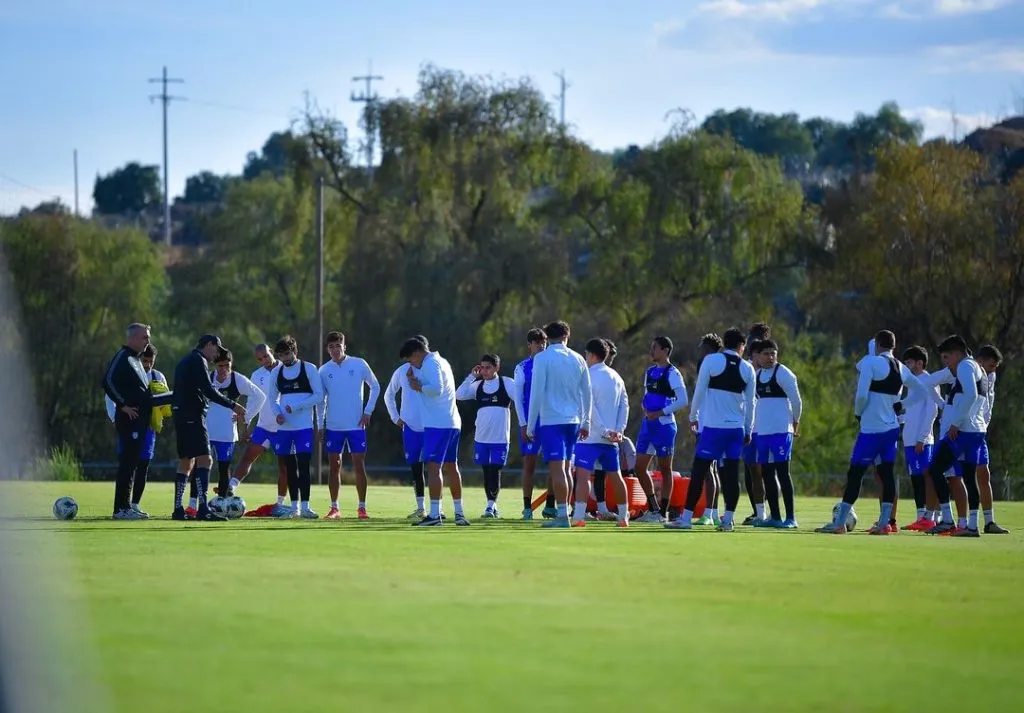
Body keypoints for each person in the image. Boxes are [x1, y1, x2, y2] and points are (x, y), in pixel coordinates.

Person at [817, 330, 930, 535]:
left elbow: (861, 395)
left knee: (855, 474)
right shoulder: (901, 367)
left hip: (871, 429)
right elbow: (923, 391)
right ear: (894, 346)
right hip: (891, 430)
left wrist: (858, 413)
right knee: (886, 474)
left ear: (877, 344)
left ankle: (839, 524)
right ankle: (884, 524)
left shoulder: (871, 363)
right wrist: (901, 405)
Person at [667, 327, 755, 531]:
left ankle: (686, 519)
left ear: (725, 343)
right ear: (742, 346)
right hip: (736, 430)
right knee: (731, 474)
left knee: (699, 472)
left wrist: (693, 416)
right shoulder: (748, 369)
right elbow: (751, 403)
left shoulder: (711, 361)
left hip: (713, 428)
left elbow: (699, 391)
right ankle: (727, 521)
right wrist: (748, 430)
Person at [919, 336, 992, 537]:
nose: (946, 363)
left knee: (934, 470)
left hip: (964, 431)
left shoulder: (965, 367)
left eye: (946, 358)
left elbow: (971, 395)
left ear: (957, 353)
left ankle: (948, 520)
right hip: (977, 431)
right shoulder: (978, 368)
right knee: (969, 477)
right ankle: (971, 526)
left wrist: (956, 422)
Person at [170, 334, 247, 521]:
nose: (216, 355)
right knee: (205, 460)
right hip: (192, 416)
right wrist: (233, 405)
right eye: (216, 349)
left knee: (186, 461)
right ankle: (203, 509)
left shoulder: (185, 360)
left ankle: (178, 509)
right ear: (209, 345)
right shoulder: (198, 360)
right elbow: (208, 390)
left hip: (180, 414)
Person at [102, 323, 174, 520]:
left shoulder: (135, 359)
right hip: (129, 420)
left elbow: (144, 395)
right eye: (145, 337)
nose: (148, 341)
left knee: (134, 463)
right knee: (127, 463)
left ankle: (128, 506)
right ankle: (120, 509)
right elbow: (107, 381)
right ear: (132, 338)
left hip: (141, 421)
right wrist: (122, 404)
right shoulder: (123, 357)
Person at [525, 320, 593, 529]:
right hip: (573, 421)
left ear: (548, 337)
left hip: (551, 421)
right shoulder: (578, 358)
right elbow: (587, 392)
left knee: (558, 471)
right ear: (566, 336)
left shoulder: (542, 358)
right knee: (565, 469)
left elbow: (536, 393)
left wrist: (530, 425)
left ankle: (562, 516)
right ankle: (567, 513)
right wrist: (586, 421)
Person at [400, 337, 470, 526]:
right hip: (452, 421)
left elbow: (436, 389)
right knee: (451, 466)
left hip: (438, 424)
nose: (411, 364)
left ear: (416, 353)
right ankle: (459, 513)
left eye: (410, 360)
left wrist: (418, 386)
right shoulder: (442, 361)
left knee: (433, 466)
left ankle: (434, 515)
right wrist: (417, 382)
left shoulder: (430, 363)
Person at [319, 331, 381, 520]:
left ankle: (362, 508)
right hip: (333, 426)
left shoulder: (359, 364)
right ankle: (334, 508)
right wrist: (320, 424)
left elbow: (375, 386)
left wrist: (368, 411)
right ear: (327, 349)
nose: (335, 350)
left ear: (344, 346)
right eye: (331, 347)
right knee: (334, 466)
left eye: (338, 346)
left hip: (356, 425)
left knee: (358, 465)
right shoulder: (323, 371)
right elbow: (321, 401)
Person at [224, 344, 291, 515]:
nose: (264, 361)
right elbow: (253, 401)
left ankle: (280, 504)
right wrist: (245, 424)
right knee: (247, 457)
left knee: (283, 466)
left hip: (283, 428)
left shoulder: (287, 370)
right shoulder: (256, 375)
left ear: (272, 353)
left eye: (266, 356)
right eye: (260, 359)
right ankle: (230, 487)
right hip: (263, 426)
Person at [572, 338, 629, 527]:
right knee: (616, 476)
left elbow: (589, 407)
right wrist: (618, 431)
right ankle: (623, 517)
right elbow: (624, 406)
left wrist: (604, 429)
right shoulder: (617, 377)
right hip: (611, 439)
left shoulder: (586, 375)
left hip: (590, 436)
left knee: (583, 475)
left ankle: (579, 516)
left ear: (591, 355)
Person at [266, 335, 325, 519]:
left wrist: (298, 406)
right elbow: (272, 398)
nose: (285, 358)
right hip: (285, 428)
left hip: (303, 427)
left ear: (295, 351)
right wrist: (277, 413)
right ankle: (294, 508)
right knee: (289, 467)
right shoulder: (276, 372)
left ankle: (306, 507)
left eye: (287, 353)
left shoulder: (309, 369)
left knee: (304, 465)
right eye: (281, 355)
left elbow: (319, 395)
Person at [634, 336, 689, 523]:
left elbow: (683, 400)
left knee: (665, 469)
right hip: (647, 425)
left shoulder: (673, 373)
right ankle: (653, 509)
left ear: (665, 351)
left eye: (655, 348)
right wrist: (645, 407)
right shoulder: (649, 372)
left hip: (664, 426)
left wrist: (659, 412)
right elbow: (646, 395)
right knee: (639, 468)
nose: (652, 351)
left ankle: (663, 512)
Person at [455, 353, 517, 518]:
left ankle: (490, 506)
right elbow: (458, 395)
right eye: (482, 367)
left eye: (488, 367)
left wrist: (525, 424)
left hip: (500, 438)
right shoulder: (477, 386)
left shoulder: (507, 383)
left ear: (497, 367)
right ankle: (492, 504)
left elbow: (521, 399)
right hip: (481, 437)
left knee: (495, 470)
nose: (484, 371)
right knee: (486, 471)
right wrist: (470, 377)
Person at [751, 339, 802, 528]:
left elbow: (797, 401)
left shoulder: (784, 373)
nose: (770, 357)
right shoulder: (756, 376)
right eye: (766, 353)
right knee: (767, 474)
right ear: (758, 356)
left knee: (783, 473)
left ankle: (790, 518)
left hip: (781, 431)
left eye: (773, 353)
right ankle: (775, 517)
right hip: (763, 432)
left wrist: (795, 421)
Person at [207, 348, 266, 499]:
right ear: (214, 365)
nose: (224, 369)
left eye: (228, 365)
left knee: (223, 468)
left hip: (226, 432)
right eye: (220, 365)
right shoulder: (208, 378)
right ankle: (195, 504)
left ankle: (223, 502)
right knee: (202, 468)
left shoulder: (238, 379)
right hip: (206, 431)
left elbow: (260, 397)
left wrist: (246, 416)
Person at [384, 334, 430, 519]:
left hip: (431, 427)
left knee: (435, 468)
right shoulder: (402, 371)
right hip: (410, 428)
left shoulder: (432, 370)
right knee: (416, 469)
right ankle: (421, 508)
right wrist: (396, 418)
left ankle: (438, 508)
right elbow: (388, 395)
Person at [897, 346, 942, 531]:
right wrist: (897, 419)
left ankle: (933, 516)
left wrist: (922, 438)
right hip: (909, 439)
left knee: (927, 477)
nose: (907, 366)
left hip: (921, 441)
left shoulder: (929, 381)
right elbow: (912, 413)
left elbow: (932, 411)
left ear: (920, 363)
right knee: (915, 478)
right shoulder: (912, 384)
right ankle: (921, 517)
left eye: (909, 362)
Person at [512, 328, 549, 519]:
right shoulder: (522, 367)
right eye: (537, 342)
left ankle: (551, 504)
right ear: (529, 345)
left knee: (557, 463)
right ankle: (527, 507)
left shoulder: (552, 363)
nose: (541, 345)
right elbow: (518, 398)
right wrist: (523, 423)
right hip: (531, 421)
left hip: (551, 420)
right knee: (529, 463)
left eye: (543, 342)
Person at [691, 333, 725, 526]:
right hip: (715, 421)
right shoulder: (719, 363)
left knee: (706, 470)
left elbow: (700, 392)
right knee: (712, 469)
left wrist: (694, 416)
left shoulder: (707, 363)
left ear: (708, 347)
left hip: (707, 423)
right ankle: (712, 512)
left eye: (701, 346)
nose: (699, 349)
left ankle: (709, 514)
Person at [974, 345, 1008, 534]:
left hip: (980, 431)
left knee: (983, 474)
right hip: (963, 430)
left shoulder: (991, 376)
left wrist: (984, 426)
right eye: (991, 365)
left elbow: (988, 405)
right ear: (980, 361)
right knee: (952, 476)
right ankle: (941, 519)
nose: (993, 370)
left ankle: (989, 521)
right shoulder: (969, 371)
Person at [741, 323, 771, 524]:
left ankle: (763, 511)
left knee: (757, 471)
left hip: (758, 425)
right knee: (754, 470)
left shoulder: (758, 367)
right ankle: (759, 511)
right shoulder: (758, 366)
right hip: (757, 424)